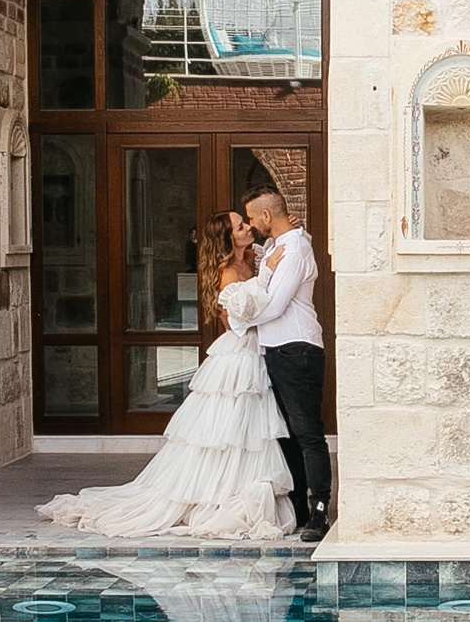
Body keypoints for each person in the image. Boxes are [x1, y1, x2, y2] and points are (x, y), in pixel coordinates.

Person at [37, 210, 294, 539]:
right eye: (241, 227)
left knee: (249, 434)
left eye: (245, 223)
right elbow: (237, 321)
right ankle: (216, 495)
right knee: (231, 431)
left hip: (257, 351)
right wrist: (266, 278)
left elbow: (274, 245)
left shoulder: (250, 259)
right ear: (228, 239)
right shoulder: (227, 272)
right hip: (239, 356)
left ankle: (241, 486)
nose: (248, 228)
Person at [233, 184, 330, 540]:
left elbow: (274, 305)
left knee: (307, 433)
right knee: (287, 435)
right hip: (274, 350)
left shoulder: (295, 248)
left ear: (266, 216)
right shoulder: (275, 246)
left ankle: (320, 509)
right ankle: (300, 508)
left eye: (252, 218)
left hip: (297, 349)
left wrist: (242, 319)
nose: (251, 225)